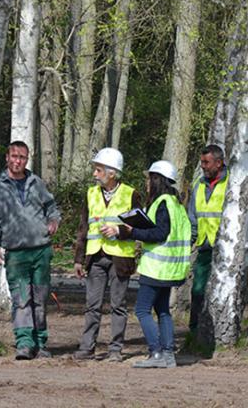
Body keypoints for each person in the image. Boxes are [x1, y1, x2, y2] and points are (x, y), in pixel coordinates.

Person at [101, 160, 191, 368]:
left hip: (156, 268)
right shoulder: (175, 203)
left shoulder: (162, 203)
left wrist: (133, 232)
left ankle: (156, 353)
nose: (147, 183)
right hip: (169, 268)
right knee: (163, 311)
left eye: (149, 178)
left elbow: (159, 234)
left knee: (142, 310)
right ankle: (168, 354)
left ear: (157, 179)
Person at [0, 141, 60, 360]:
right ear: (7, 157)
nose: (18, 161)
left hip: (41, 250)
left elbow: (52, 208)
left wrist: (53, 221)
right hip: (16, 252)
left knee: (40, 297)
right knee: (21, 298)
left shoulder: (36, 182)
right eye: (14, 156)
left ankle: (41, 342)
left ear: (27, 159)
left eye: (22, 158)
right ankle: (24, 343)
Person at [188, 144, 248, 333]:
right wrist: (188, 243)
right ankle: (194, 331)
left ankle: (221, 331)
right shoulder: (198, 185)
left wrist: (243, 221)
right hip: (205, 248)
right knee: (197, 291)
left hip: (227, 250)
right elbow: (193, 218)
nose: (203, 166)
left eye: (206, 163)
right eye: (202, 163)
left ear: (219, 162)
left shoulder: (233, 182)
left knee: (225, 293)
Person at [73, 148, 141, 362]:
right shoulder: (91, 194)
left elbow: (140, 226)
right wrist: (78, 259)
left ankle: (115, 349)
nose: (94, 174)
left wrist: (118, 231)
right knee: (92, 305)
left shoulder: (131, 194)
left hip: (120, 258)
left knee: (118, 305)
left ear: (112, 173)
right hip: (95, 257)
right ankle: (87, 347)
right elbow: (83, 227)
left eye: (98, 170)